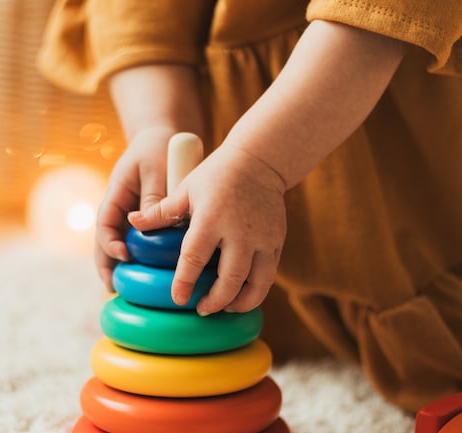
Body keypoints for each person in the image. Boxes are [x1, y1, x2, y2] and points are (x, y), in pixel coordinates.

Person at [38, 0, 462, 412]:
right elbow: (138, 14)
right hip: (231, 211)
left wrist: (258, 163)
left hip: (390, 203)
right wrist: (160, 128)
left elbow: (377, 17)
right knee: (214, 306)